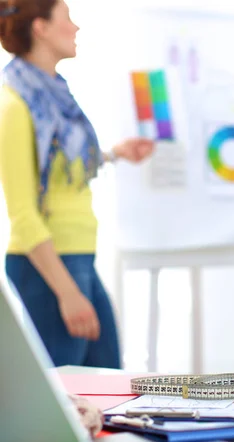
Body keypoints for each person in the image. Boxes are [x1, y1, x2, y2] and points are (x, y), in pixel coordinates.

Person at [0, 0, 154, 368]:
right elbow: (22, 214)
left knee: (107, 383)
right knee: (70, 398)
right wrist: (67, 292)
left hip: (77, 257)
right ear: (41, 28)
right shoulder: (13, 105)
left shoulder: (55, 98)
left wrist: (114, 154)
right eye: (67, 17)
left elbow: (57, 167)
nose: (76, 28)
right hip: (48, 266)